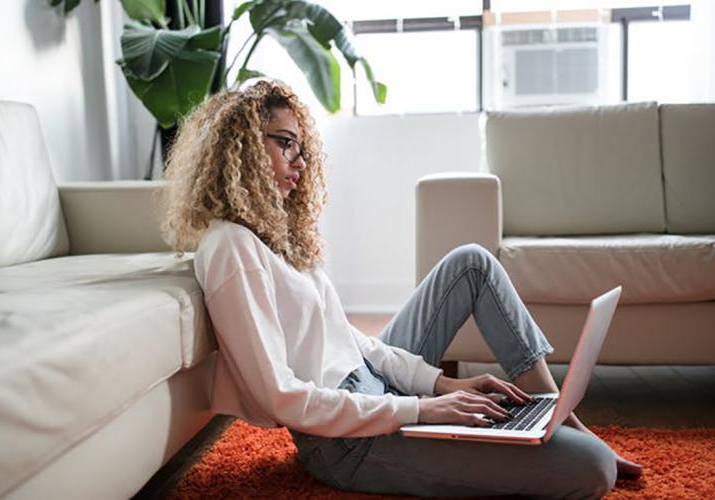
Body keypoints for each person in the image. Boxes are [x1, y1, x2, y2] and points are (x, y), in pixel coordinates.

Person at [160, 80, 642, 498]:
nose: (299, 163)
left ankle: (561, 416)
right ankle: (561, 434)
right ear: (240, 145)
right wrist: (421, 409)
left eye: (301, 149)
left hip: (374, 390)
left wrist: (441, 385)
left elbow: (353, 343)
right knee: (591, 469)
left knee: (471, 263)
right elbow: (280, 397)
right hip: (346, 443)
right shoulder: (231, 247)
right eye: (285, 143)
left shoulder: (274, 237)